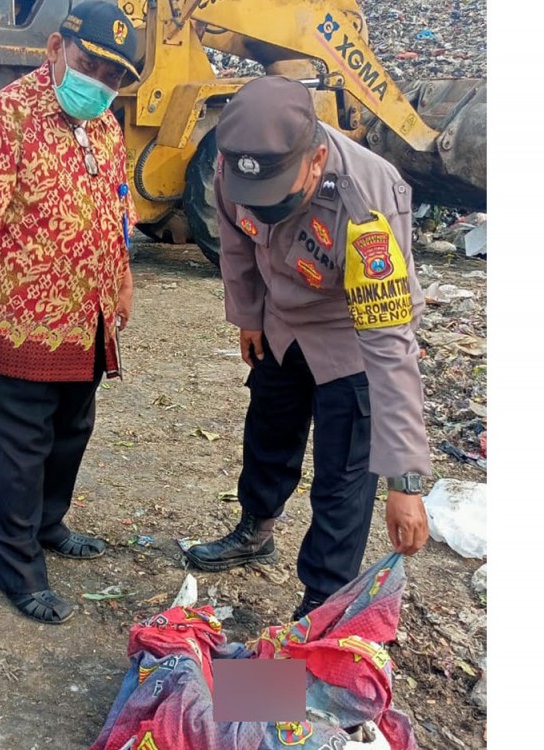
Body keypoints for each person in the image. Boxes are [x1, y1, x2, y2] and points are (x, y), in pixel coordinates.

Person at [181, 76, 432, 621]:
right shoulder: (234, 165)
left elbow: (391, 345)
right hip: (280, 323)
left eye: (281, 200)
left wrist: (405, 482)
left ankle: (322, 602)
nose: (267, 212)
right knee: (268, 433)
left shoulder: (367, 203)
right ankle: (256, 529)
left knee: (343, 476)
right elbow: (234, 242)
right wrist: (248, 315)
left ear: (317, 160)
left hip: (350, 337)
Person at [0, 0, 140, 625]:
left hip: (85, 325)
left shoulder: (106, 126)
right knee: (19, 449)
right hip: (19, 327)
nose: (101, 86)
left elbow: (117, 210)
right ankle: (20, 568)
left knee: (69, 435)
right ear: (55, 47)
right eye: (92, 68)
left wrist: (122, 281)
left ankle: (50, 522)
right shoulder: (0, 122)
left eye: (114, 78)